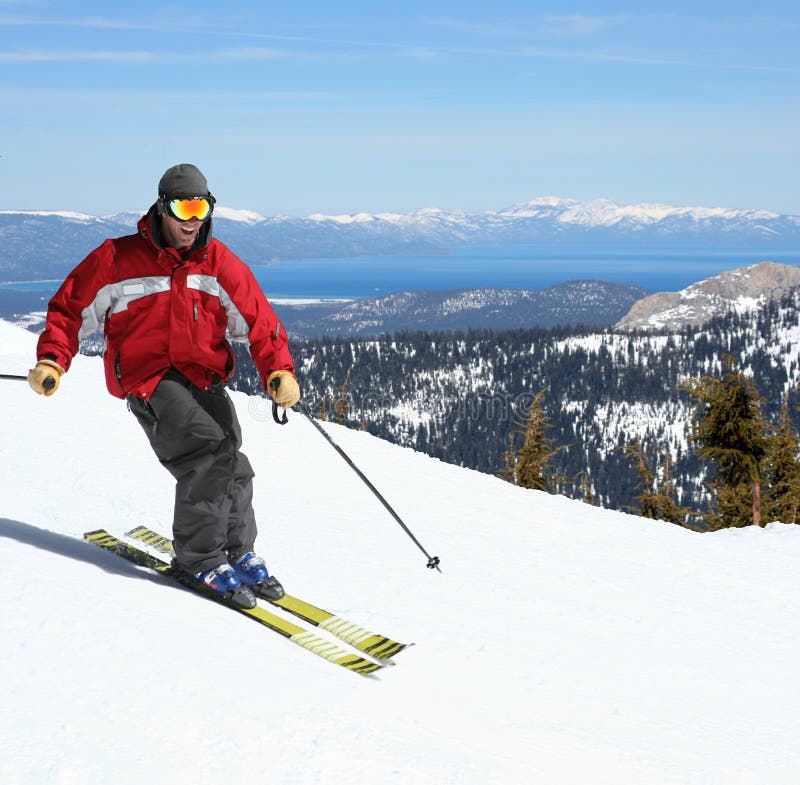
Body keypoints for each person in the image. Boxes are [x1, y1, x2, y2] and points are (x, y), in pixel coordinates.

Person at [28, 163, 300, 609]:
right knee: (207, 456)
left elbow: (259, 320)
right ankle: (200, 558)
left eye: (201, 208)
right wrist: (52, 359)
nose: (192, 220)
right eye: (182, 207)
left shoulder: (220, 263)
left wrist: (279, 370)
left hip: (202, 375)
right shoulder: (116, 258)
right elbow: (70, 309)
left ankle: (235, 549)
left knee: (233, 456)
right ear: (162, 207)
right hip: (148, 378)